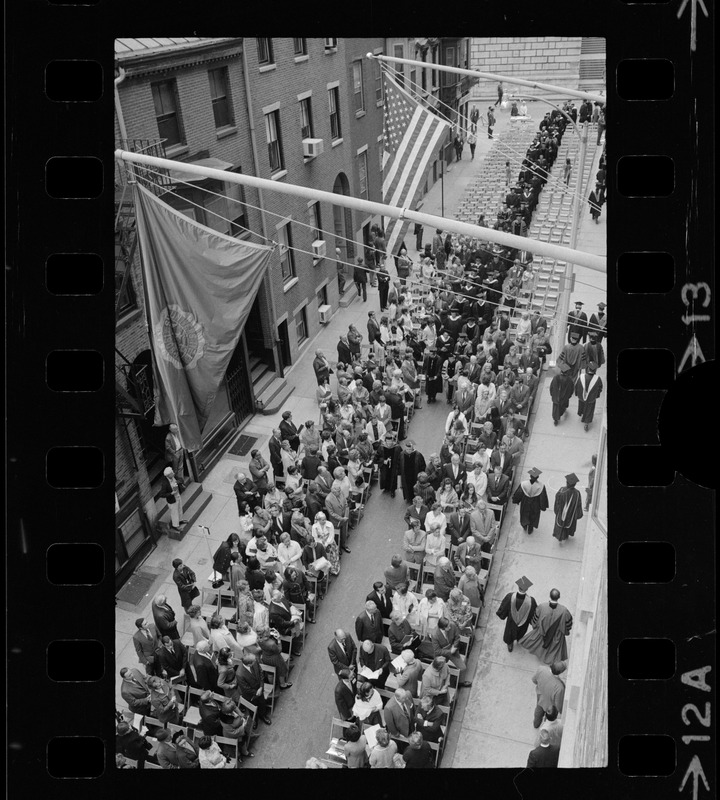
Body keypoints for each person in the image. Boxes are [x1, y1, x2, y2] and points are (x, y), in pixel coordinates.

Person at [520, 588, 573, 664]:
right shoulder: (564, 611)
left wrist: (535, 626)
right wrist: (565, 631)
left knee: (541, 645)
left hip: (542, 632)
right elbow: (568, 625)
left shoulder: (542, 607)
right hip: (556, 635)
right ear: (559, 597)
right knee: (553, 648)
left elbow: (535, 620)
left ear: (549, 596)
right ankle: (548, 659)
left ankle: (541, 655)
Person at [496, 575, 537, 652]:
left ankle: (510, 644)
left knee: (509, 633)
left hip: (511, 622)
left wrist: (503, 614)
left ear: (518, 587)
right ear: (527, 588)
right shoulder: (531, 601)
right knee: (521, 633)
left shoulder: (510, 596)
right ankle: (518, 639)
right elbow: (534, 614)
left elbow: (503, 610)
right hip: (523, 624)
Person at [236, 652, 273, 727]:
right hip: (250, 695)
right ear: (249, 664)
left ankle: (263, 716)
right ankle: (254, 720)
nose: (255, 662)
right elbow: (245, 687)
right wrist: (256, 692)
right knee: (252, 709)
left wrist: (261, 687)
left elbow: (261, 673)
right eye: (253, 662)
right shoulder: (239, 673)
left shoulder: (255, 662)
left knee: (262, 703)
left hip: (260, 688)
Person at [512, 467, 549, 534]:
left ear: (530, 476)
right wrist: (543, 506)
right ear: (537, 477)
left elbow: (519, 493)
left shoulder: (524, 484)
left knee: (524, 514)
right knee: (533, 516)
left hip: (525, 503)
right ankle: (530, 528)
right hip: (535, 505)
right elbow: (543, 497)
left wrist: (516, 500)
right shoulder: (541, 486)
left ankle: (524, 525)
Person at [532, 661, 567, 728]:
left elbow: (534, 680)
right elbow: (558, 705)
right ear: (560, 672)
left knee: (538, 711)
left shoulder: (541, 669)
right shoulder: (560, 687)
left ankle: (536, 724)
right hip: (550, 706)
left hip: (540, 697)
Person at [552, 473, 584, 544]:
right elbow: (579, 505)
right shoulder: (577, 493)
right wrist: (577, 514)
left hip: (561, 512)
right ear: (575, 484)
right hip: (571, 513)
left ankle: (560, 536)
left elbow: (557, 501)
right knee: (568, 524)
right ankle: (566, 535)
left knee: (560, 523)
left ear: (567, 483)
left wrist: (557, 510)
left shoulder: (562, 490)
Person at [576, 361, 603, 431]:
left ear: (588, 369)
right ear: (595, 370)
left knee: (582, 406)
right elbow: (600, 388)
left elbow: (577, 386)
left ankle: (582, 414)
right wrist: (596, 395)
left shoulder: (581, 376)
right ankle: (586, 424)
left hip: (582, 397)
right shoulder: (597, 379)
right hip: (591, 398)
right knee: (589, 410)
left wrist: (577, 394)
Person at [160, 467, 187, 532]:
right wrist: (171, 493)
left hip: (177, 496)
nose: (173, 473)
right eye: (172, 473)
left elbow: (181, 479)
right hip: (172, 500)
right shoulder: (165, 483)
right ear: (168, 475)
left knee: (180, 508)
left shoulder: (174, 477)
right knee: (174, 512)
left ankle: (180, 520)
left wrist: (177, 482)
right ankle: (175, 525)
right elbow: (162, 494)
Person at [549, 362, 574, 426]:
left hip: (556, 397)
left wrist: (552, 394)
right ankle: (562, 412)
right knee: (562, 407)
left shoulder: (556, 378)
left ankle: (556, 420)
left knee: (555, 409)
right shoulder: (569, 380)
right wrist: (569, 396)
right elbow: (571, 389)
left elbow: (551, 387)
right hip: (564, 398)